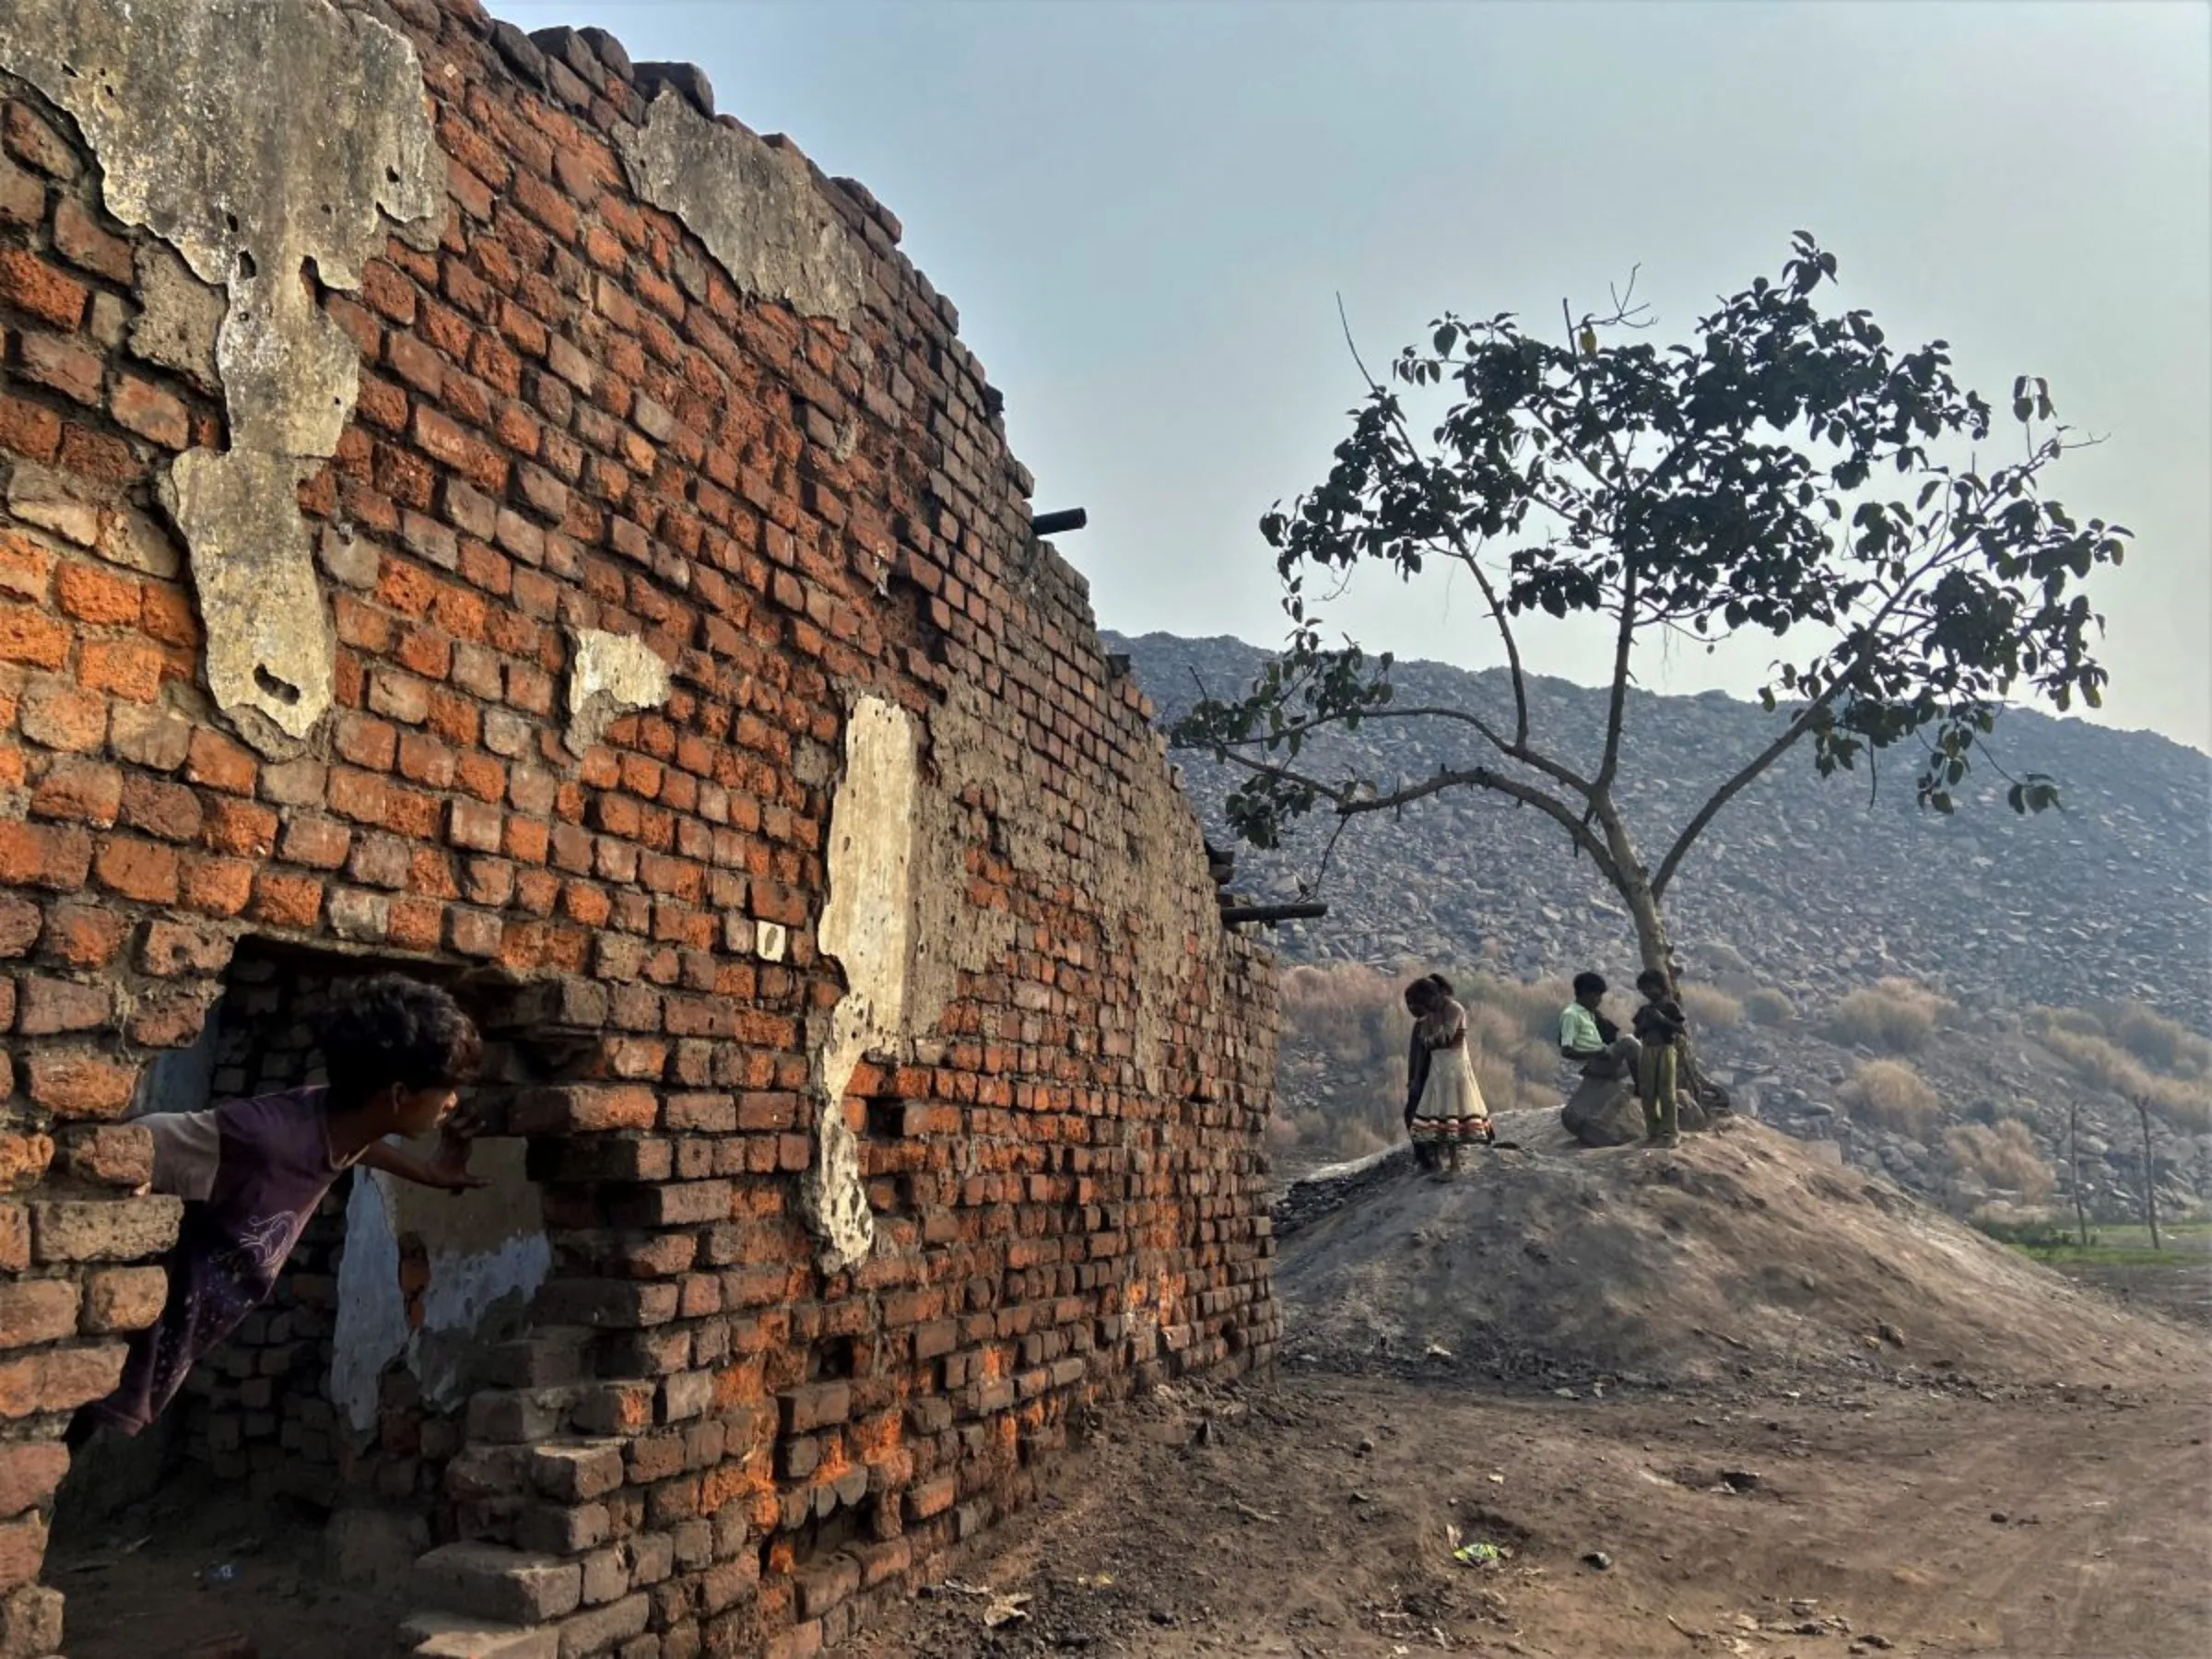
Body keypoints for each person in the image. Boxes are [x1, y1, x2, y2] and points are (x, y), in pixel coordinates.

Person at [67, 974, 486, 1451]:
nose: (453, 1102)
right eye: (446, 1089)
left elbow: (357, 1147)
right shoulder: (262, 1139)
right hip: (114, 1343)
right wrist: (122, 1189)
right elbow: (147, 1136)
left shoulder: (335, 1120)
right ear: (397, 1096)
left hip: (163, 1343)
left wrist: (430, 1174)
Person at [1404, 974, 1493, 1177]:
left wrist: (1429, 1036)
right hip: (1437, 1071)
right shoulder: (1429, 1016)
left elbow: (1444, 1038)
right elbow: (1424, 1046)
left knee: (1450, 1117)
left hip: (1454, 1071)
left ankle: (1453, 1165)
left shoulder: (1454, 1010)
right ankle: (1433, 1161)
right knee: (1434, 1118)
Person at [1631, 968, 1689, 1147]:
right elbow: (1637, 1032)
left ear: (1660, 987)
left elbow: (1681, 1029)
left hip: (1665, 1050)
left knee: (1667, 1091)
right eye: (1644, 989)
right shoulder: (1645, 1010)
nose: (1647, 992)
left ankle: (1671, 1131)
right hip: (1648, 1050)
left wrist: (1662, 1019)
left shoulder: (1670, 1006)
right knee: (1648, 1091)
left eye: (1650, 988)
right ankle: (1653, 1131)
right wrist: (1644, 1024)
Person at [1559, 971, 1641, 1080]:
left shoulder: (1593, 1014)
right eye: (1597, 995)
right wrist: (1595, 1054)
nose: (1599, 1000)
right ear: (1586, 993)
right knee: (1629, 1043)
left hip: (1605, 1062)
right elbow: (1566, 1052)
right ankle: (1641, 1086)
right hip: (1597, 1064)